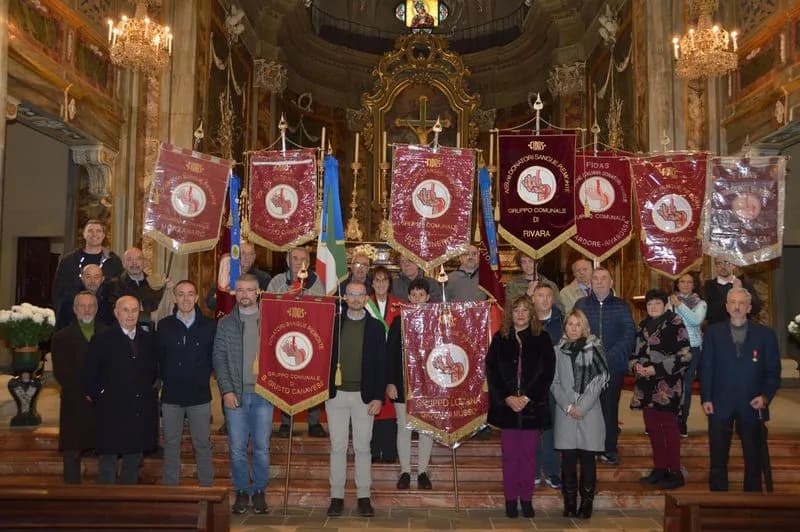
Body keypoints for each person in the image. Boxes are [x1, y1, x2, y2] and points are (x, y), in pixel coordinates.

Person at [701, 287, 780, 492]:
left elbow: (773, 372)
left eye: (741, 303)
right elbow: (706, 367)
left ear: (749, 307)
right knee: (718, 457)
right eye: (733, 302)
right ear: (726, 307)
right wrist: (706, 398)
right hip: (719, 403)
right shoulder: (713, 333)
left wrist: (765, 396)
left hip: (753, 404)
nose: (737, 307)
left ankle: (752, 502)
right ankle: (717, 501)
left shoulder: (766, 335)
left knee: (753, 458)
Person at [486, 295, 555, 519]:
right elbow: (492, 371)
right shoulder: (500, 338)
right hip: (507, 408)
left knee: (527, 457)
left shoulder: (542, 338)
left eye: (525, 310)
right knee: (509, 457)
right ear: (510, 314)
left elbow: (547, 373)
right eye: (516, 310)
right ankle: (510, 500)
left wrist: (526, 398)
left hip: (532, 407)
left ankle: (526, 499)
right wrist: (507, 397)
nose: (521, 314)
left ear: (531, 313)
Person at [326, 281, 387, 518]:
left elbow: (381, 365)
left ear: (366, 299)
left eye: (360, 295)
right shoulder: (333, 324)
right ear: (345, 298)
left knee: (363, 448)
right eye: (351, 294)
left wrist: (378, 397)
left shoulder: (375, 327)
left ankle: (364, 497)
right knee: (338, 447)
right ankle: (337, 497)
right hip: (336, 395)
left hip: (365, 397)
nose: (355, 299)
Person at [213, 274, 274, 514]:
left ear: (258, 292)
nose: (245, 294)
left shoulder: (270, 321)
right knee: (237, 447)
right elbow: (219, 359)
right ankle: (240, 490)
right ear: (234, 293)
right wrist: (226, 390)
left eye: (250, 290)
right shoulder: (225, 323)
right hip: (235, 395)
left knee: (261, 447)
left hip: (264, 395)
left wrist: (276, 388)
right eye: (240, 290)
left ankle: (259, 490)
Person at [82, 295, 159, 484]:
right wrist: (101, 396)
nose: (130, 314)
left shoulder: (148, 339)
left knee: (132, 462)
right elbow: (88, 375)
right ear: (116, 313)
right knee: (108, 462)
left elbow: (154, 371)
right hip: (111, 411)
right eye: (126, 310)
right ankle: (107, 505)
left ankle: (128, 504)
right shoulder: (102, 339)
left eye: (134, 310)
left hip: (138, 411)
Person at [156, 280, 216, 487]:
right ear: (174, 298)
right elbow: (159, 358)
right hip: (171, 395)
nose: (186, 299)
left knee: (202, 444)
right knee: (171, 444)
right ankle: (170, 489)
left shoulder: (209, 325)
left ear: (197, 298)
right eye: (181, 294)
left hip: (200, 395)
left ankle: (207, 489)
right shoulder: (164, 326)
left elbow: (213, 359)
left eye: (190, 294)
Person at [551, 309, 609, 519]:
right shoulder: (558, 350)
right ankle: (569, 502)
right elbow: (554, 382)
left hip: (589, 412)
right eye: (570, 324)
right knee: (567, 461)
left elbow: (599, 380)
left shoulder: (595, 348)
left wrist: (581, 407)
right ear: (565, 327)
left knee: (587, 460)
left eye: (578, 324)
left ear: (584, 327)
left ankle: (586, 504)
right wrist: (568, 406)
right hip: (565, 412)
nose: (574, 328)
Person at [631, 289, 691, 489]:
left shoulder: (675, 323)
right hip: (646, 386)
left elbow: (685, 355)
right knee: (653, 429)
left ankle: (674, 471)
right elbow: (634, 353)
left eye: (657, 303)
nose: (653, 307)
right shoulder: (643, 326)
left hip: (668, 385)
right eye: (649, 304)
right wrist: (635, 366)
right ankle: (659, 468)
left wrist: (655, 369)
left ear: (665, 305)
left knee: (669, 429)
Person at [574, 267, 635, 465]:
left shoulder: (621, 306)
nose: (599, 282)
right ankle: (589, 447)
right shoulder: (581, 304)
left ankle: (609, 448)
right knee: (588, 408)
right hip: (587, 367)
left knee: (609, 409)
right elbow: (574, 332)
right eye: (595, 278)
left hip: (613, 367)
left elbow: (628, 335)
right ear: (590, 282)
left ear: (611, 283)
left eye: (603, 278)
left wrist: (606, 358)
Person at [266, 247, 326, 438]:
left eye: (303, 259)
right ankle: (286, 422)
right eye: (295, 258)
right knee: (286, 379)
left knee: (311, 379)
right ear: (287, 261)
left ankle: (314, 421)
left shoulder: (316, 282)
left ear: (308, 263)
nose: (299, 262)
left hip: (309, 338)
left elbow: (321, 308)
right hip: (284, 337)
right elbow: (269, 307)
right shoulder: (276, 282)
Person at [51, 291, 107, 483]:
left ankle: (105, 496)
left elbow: (111, 368)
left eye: (91, 305)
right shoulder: (61, 337)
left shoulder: (108, 334)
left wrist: (98, 392)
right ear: (75, 310)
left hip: (101, 401)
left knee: (105, 452)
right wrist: (85, 392)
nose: (87, 309)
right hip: (75, 401)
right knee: (72, 451)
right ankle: (71, 494)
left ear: (97, 309)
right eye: (82, 306)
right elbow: (62, 372)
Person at [387, 278, 435, 490]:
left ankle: (423, 471)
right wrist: (390, 382)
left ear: (428, 298)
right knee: (403, 428)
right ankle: (405, 471)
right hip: (402, 383)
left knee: (426, 429)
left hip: (428, 385)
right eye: (413, 295)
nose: (416, 299)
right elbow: (390, 354)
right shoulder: (399, 321)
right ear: (408, 297)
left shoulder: (436, 322)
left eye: (421, 295)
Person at [52, 219, 122, 329]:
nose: (94, 234)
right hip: (72, 320)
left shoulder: (113, 261)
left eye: (98, 231)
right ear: (84, 234)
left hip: (105, 321)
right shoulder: (69, 261)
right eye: (90, 231)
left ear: (103, 235)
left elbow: (119, 291)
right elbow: (58, 291)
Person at [366, 266, 399, 465]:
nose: (380, 284)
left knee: (389, 408)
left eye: (384, 280)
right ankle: (371, 450)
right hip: (371, 362)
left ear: (389, 283)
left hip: (392, 361)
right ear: (371, 283)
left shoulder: (399, 304)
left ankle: (388, 451)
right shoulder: (363, 302)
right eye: (376, 280)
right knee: (372, 403)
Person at [667, 272, 707, 437]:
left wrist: (680, 306)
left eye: (689, 282)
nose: (685, 285)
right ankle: (670, 419)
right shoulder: (670, 301)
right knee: (671, 384)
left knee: (686, 386)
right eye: (682, 282)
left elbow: (695, 321)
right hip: (673, 347)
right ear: (677, 284)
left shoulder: (700, 302)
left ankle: (682, 420)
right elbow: (668, 320)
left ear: (694, 284)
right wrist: (674, 304)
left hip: (693, 347)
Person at [531, 284, 563, 490]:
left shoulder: (562, 321)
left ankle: (551, 471)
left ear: (553, 299)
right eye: (540, 295)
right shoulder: (524, 319)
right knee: (531, 427)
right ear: (532, 298)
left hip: (555, 382)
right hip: (531, 383)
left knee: (552, 427)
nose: (544, 300)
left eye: (548, 296)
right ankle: (532, 469)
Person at [108, 247, 168, 331]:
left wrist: (168, 290)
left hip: (153, 335)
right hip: (125, 335)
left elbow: (163, 309)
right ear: (123, 263)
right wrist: (149, 316)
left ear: (144, 262)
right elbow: (116, 312)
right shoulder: (115, 284)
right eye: (129, 259)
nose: (134, 263)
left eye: (138, 259)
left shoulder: (154, 283)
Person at [206, 240, 271, 315]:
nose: (247, 258)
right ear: (236, 256)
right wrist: (223, 296)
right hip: (227, 319)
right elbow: (210, 303)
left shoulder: (264, 278)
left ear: (254, 257)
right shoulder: (226, 275)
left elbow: (268, 305)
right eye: (243, 254)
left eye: (251, 254)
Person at [703, 257, 762, 325]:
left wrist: (742, 292)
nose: (723, 266)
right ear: (716, 266)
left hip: (743, 328)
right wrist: (733, 291)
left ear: (733, 265)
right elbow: (708, 313)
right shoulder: (709, 285)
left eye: (726, 262)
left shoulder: (743, 282)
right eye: (719, 263)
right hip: (718, 330)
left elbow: (757, 308)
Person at [56, 264, 113, 329]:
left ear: (102, 279)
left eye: (96, 277)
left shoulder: (108, 299)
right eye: (88, 277)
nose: (92, 281)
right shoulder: (70, 300)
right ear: (82, 278)